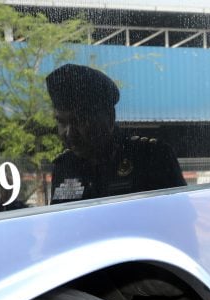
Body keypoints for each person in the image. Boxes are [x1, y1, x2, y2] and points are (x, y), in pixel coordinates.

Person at [45, 64, 186, 204]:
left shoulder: (151, 157)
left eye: (80, 121)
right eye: (62, 122)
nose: (69, 133)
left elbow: (180, 217)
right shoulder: (64, 167)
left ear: (110, 117)